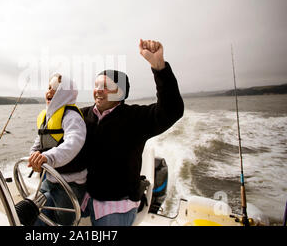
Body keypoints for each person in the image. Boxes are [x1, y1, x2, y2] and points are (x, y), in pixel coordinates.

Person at [80, 39, 184, 226]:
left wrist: (159, 67)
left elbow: (172, 110)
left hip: (117, 203)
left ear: (119, 92)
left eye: (105, 86)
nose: (98, 91)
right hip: (84, 196)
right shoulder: (82, 115)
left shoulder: (135, 118)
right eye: (96, 85)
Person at [28, 73, 87, 225]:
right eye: (49, 87)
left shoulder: (71, 117)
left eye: (56, 88)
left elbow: (73, 142)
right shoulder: (46, 117)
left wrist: (48, 158)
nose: (50, 91)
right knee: (33, 209)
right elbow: (39, 141)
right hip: (50, 178)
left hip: (71, 184)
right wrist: (33, 156)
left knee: (63, 220)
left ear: (65, 93)